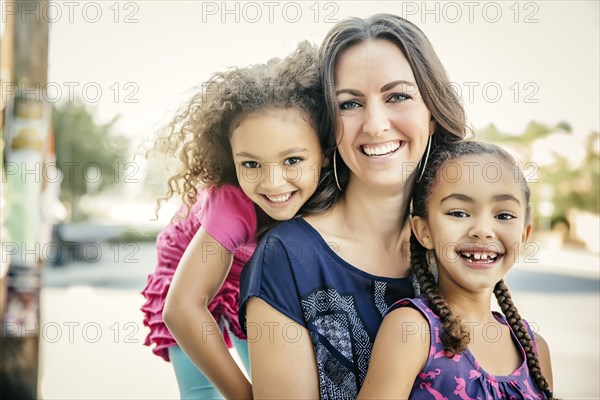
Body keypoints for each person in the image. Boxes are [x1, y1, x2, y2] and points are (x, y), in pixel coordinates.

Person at [239, 14, 468, 399]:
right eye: (349, 104)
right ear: (328, 123)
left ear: (432, 114)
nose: (376, 125)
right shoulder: (288, 257)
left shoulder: (456, 247)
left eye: (397, 96)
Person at [141, 42, 327, 399]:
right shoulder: (233, 203)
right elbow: (181, 309)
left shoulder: (330, 193)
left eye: (292, 161)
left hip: (249, 280)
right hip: (190, 274)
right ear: (232, 159)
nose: (273, 183)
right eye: (251, 164)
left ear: (324, 147)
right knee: (205, 391)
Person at [359, 141, 555, 399]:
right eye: (459, 212)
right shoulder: (414, 330)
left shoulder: (535, 348)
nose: (483, 229)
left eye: (504, 215)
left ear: (524, 233)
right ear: (424, 231)